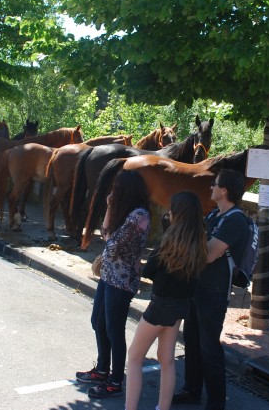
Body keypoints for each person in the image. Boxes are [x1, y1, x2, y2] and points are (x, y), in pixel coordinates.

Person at [173, 168, 251, 410]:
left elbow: (208, 254)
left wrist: (186, 245)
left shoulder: (236, 219)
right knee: (192, 342)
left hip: (214, 291)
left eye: (215, 184)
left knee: (209, 348)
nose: (211, 188)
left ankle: (216, 403)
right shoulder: (216, 215)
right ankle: (192, 390)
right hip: (199, 286)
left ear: (224, 190)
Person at [126, 192, 208, 410]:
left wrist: (165, 233)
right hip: (181, 306)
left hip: (160, 306)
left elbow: (149, 270)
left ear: (177, 214)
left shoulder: (168, 242)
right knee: (166, 358)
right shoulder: (199, 242)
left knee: (134, 357)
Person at [76, 170, 151, 400]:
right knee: (98, 322)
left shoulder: (139, 216)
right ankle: (101, 370)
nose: (112, 193)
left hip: (122, 280)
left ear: (125, 190)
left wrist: (108, 233)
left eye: (115, 189)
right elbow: (105, 234)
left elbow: (112, 245)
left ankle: (115, 381)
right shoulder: (124, 211)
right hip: (109, 276)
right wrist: (109, 207)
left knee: (114, 330)